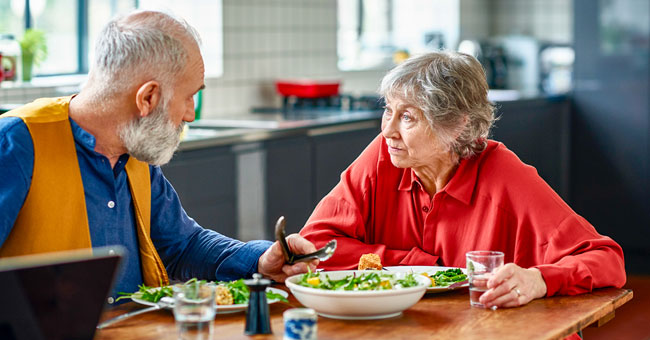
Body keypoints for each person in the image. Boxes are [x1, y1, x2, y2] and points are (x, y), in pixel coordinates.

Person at [0, 10, 317, 304]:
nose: (191, 114)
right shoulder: (16, 143)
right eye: (189, 96)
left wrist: (261, 260)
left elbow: (183, 246)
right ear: (147, 98)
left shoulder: (133, 148)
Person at [299, 51, 626, 310]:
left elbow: (606, 259)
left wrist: (539, 279)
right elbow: (314, 244)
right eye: (389, 110)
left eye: (408, 117)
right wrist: (420, 268)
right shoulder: (384, 155)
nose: (388, 130)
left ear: (455, 125)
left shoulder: (505, 175)